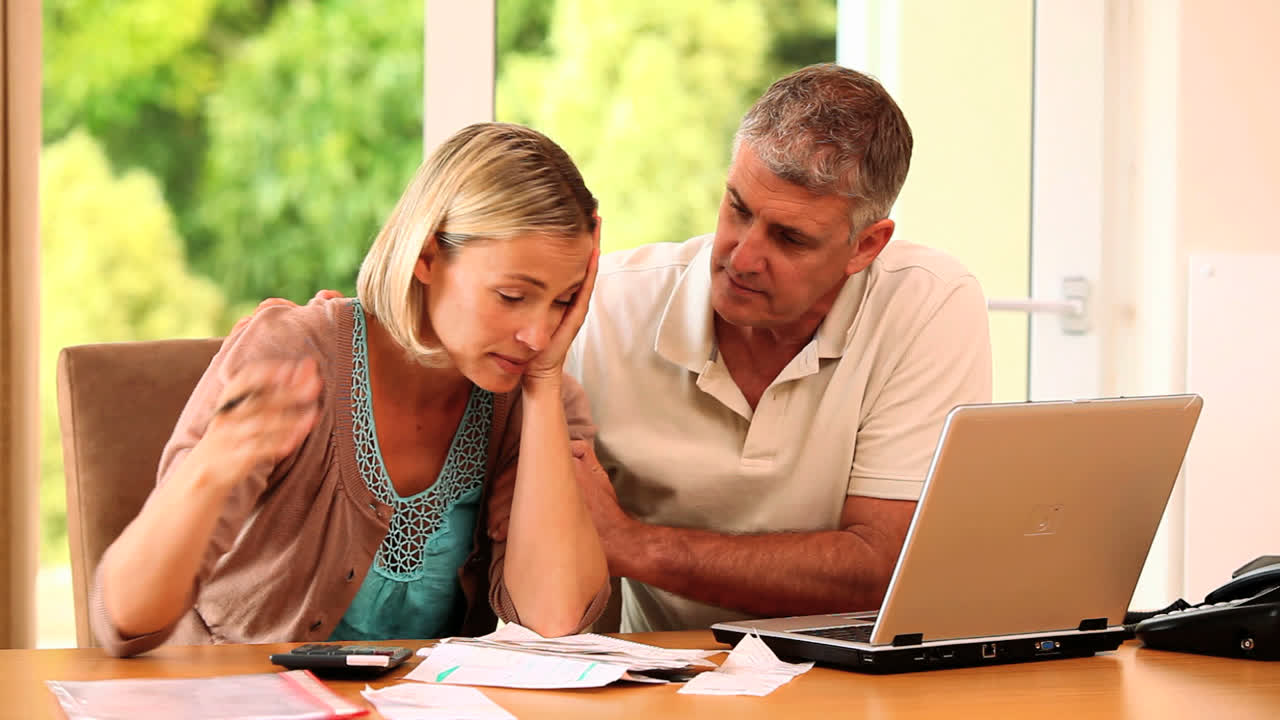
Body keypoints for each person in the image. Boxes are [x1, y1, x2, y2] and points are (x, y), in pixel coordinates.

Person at [93, 122, 610, 657]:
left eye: (562, 302)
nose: (538, 335)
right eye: (511, 295)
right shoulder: (292, 354)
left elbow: (555, 622)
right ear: (427, 256)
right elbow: (125, 622)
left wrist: (545, 384)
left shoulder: (535, 406)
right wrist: (214, 466)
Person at [556, 63, 993, 632]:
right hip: (664, 675)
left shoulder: (930, 303)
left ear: (866, 245)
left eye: (790, 238)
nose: (741, 258)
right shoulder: (604, 308)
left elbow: (886, 568)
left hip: (855, 680)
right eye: (738, 208)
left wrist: (634, 546)